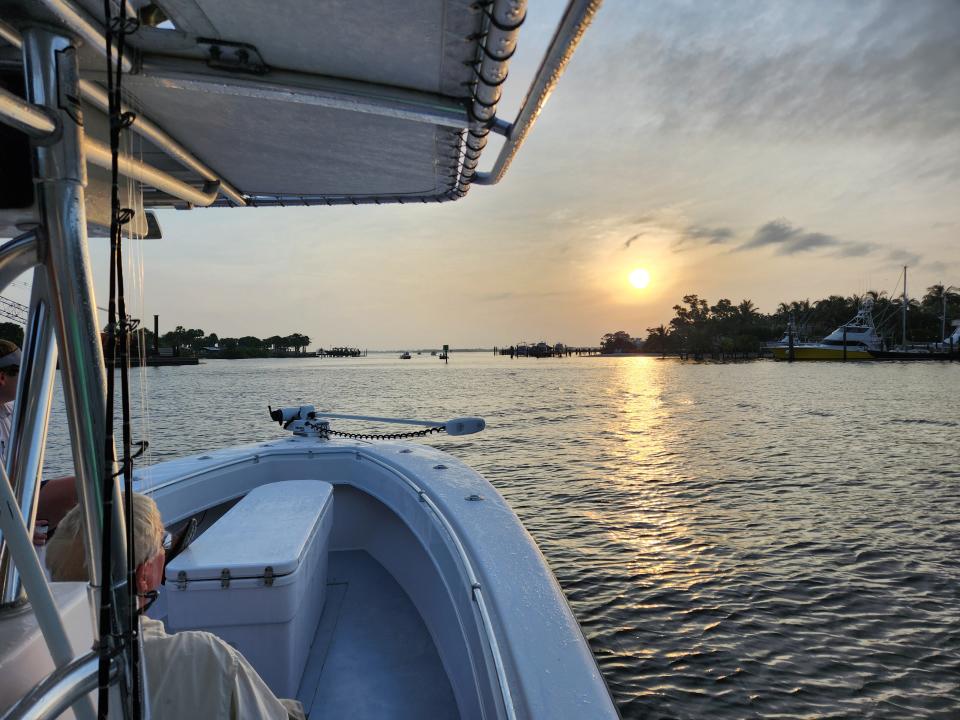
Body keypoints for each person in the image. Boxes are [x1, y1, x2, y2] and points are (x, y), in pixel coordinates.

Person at [46, 494, 306, 720]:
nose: (166, 552)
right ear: (144, 575)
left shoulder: (39, 674)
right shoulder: (204, 658)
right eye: (163, 544)